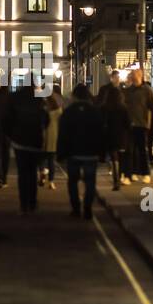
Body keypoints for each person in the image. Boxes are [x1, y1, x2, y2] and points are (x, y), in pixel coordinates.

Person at [56, 84, 107, 220]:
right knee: (90, 182)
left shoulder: (68, 112)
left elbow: (63, 134)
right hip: (91, 153)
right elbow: (102, 133)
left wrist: (61, 153)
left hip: (74, 152)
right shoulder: (95, 111)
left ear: (74, 96)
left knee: (72, 181)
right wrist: (102, 152)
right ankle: (88, 208)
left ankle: (76, 208)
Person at [5, 85, 49, 213]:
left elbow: (7, 119)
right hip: (35, 140)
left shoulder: (15, 97)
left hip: (20, 141)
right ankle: (32, 201)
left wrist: (11, 135)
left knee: (22, 173)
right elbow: (46, 118)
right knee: (32, 172)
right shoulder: (39, 97)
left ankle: (23, 202)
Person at [123, 69, 153, 182]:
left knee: (142, 150)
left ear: (141, 76)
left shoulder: (147, 90)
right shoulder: (128, 91)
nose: (134, 77)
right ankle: (129, 174)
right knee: (129, 150)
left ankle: (146, 173)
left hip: (142, 124)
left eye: (136, 75)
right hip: (129, 124)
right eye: (133, 75)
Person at [100, 84, 131, 191]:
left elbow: (101, 122)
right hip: (122, 135)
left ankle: (116, 179)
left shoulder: (104, 108)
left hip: (109, 135)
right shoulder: (123, 107)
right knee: (122, 157)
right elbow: (128, 123)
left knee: (113, 158)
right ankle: (122, 175)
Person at [40, 87, 62, 191]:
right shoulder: (57, 112)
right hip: (53, 137)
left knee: (42, 160)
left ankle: (42, 174)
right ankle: (51, 181)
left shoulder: (41, 109)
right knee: (51, 161)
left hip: (42, 137)